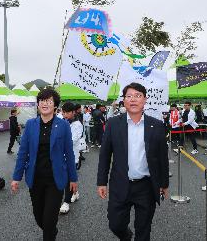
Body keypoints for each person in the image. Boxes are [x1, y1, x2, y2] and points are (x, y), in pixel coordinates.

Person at [97, 82, 169, 241]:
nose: (133, 99)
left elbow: (162, 157)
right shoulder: (113, 124)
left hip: (146, 185)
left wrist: (164, 184)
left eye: (138, 96)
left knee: (143, 229)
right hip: (120, 183)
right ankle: (126, 235)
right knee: (115, 224)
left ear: (145, 100)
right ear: (124, 100)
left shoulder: (156, 125)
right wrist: (101, 182)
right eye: (129, 96)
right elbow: (104, 155)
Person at [11, 88, 78, 241]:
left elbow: (69, 153)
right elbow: (23, 153)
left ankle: (49, 233)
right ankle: (51, 231)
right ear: (38, 104)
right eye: (42, 101)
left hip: (56, 180)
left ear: (55, 105)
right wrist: (16, 177)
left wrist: (73, 179)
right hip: (35, 179)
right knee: (39, 217)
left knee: (48, 221)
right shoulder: (31, 124)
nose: (44, 103)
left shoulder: (63, 125)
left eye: (49, 101)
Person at [59, 102, 82, 214]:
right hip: (61, 156)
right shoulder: (63, 122)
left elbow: (72, 140)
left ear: (73, 112)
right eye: (63, 112)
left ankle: (66, 202)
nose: (65, 115)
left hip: (72, 157)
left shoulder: (77, 125)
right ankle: (75, 193)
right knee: (67, 178)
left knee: (68, 179)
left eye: (67, 112)